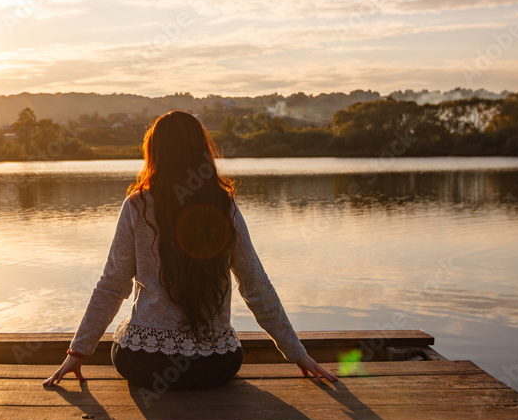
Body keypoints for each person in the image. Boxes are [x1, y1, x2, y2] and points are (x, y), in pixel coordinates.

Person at [43, 110, 337, 389]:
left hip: (146, 363)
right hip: (215, 366)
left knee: (126, 331)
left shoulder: (137, 206)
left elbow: (113, 285)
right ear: (202, 152)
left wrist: (78, 352)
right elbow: (255, 285)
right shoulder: (223, 206)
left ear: (154, 153)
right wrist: (297, 353)